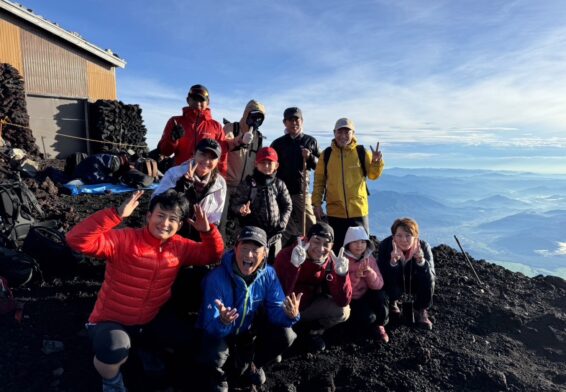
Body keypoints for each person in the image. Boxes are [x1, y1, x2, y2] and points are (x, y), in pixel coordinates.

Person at [66, 189, 224, 392]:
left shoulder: (180, 246)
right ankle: (112, 382)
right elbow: (76, 239)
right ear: (149, 216)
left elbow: (213, 254)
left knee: (186, 339)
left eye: (172, 219)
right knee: (112, 349)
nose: (165, 224)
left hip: (149, 319)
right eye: (160, 216)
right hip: (112, 320)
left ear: (180, 225)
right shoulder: (124, 240)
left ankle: (146, 348)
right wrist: (116, 214)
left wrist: (207, 231)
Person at [196, 226, 301, 391]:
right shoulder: (216, 278)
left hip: (246, 332)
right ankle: (218, 376)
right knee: (215, 353)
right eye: (244, 248)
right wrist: (223, 321)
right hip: (220, 332)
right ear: (235, 248)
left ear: (265, 252)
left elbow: (275, 310)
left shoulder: (269, 274)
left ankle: (253, 365)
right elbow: (209, 324)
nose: (249, 255)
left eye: (255, 250)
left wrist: (289, 314)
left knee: (287, 334)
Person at [274, 222, 352, 353]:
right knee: (280, 345)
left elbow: (343, 301)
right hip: (283, 308)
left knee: (343, 311)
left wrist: (341, 275)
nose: (321, 248)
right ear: (306, 240)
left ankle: (311, 331)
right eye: (316, 241)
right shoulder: (287, 255)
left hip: (307, 307)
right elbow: (277, 294)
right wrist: (294, 266)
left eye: (326, 244)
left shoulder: (332, 262)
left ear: (332, 246)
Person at [312, 117, 384, 251]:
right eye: (340, 132)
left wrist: (376, 162)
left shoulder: (361, 152)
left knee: (359, 251)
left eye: (347, 132)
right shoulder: (326, 154)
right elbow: (319, 180)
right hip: (335, 211)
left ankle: (360, 272)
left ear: (353, 134)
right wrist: (316, 203)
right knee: (337, 249)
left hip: (358, 211)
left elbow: (373, 176)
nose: (343, 136)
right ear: (334, 133)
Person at [153, 138, 226, 239]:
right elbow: (156, 202)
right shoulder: (174, 174)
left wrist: (206, 232)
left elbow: (216, 219)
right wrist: (182, 186)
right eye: (203, 154)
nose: (207, 161)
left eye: (212, 158)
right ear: (194, 153)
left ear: (218, 161)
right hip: (171, 234)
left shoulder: (220, 184)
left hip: (199, 238)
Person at [231, 147, 292, 262]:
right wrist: (241, 210)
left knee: (274, 266)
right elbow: (234, 204)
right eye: (263, 163)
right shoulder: (248, 184)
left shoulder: (279, 185)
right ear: (256, 164)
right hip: (253, 237)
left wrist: (283, 222)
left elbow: (287, 205)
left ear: (277, 165)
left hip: (275, 237)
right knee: (253, 264)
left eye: (270, 163)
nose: (266, 166)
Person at [271, 107, 320, 245]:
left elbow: (320, 165)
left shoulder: (310, 141)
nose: (294, 123)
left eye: (296, 119)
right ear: (284, 123)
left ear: (302, 121)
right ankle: (289, 251)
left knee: (310, 222)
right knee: (285, 225)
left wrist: (310, 157)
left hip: (301, 191)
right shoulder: (278, 143)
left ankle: (314, 250)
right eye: (290, 120)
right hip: (281, 191)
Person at [377, 218, 435, 330]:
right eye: (399, 235)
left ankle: (421, 309)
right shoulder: (385, 245)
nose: (404, 240)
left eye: (408, 235)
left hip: (414, 281)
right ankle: (393, 302)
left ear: (415, 237)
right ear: (393, 236)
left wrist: (421, 262)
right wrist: (393, 262)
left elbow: (431, 276)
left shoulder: (424, 247)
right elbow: (381, 275)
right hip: (396, 282)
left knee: (429, 279)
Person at [219, 100, 266, 238]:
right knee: (221, 221)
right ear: (246, 113)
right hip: (226, 184)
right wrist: (240, 140)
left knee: (243, 224)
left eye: (259, 118)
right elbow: (222, 145)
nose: (255, 120)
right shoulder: (230, 128)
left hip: (245, 188)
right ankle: (218, 254)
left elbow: (258, 162)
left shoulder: (258, 137)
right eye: (253, 115)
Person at [157, 84, 227, 174]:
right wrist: (172, 140)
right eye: (194, 98)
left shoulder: (216, 126)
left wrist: (221, 178)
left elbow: (222, 155)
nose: (198, 103)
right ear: (188, 100)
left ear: (208, 102)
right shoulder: (174, 121)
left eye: (201, 100)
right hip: (180, 176)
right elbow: (165, 152)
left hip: (205, 179)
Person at [342, 226, 388, 343]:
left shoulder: (370, 259)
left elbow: (379, 285)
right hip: (352, 300)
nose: (359, 245)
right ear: (348, 244)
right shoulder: (343, 261)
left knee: (381, 297)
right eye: (355, 242)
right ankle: (359, 328)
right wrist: (356, 276)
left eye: (363, 242)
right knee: (368, 318)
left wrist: (369, 273)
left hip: (367, 294)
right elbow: (344, 290)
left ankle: (380, 325)